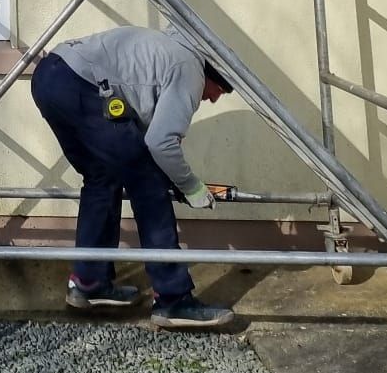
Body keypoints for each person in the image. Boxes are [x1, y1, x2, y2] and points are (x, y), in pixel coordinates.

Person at [30, 24, 235, 330]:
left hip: (50, 77)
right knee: (149, 184)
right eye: (220, 90)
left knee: (102, 176)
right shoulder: (190, 69)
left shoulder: (167, 50)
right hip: (80, 85)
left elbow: (142, 127)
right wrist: (191, 186)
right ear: (213, 74)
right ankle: (174, 299)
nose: (215, 99)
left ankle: (89, 280)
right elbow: (160, 143)